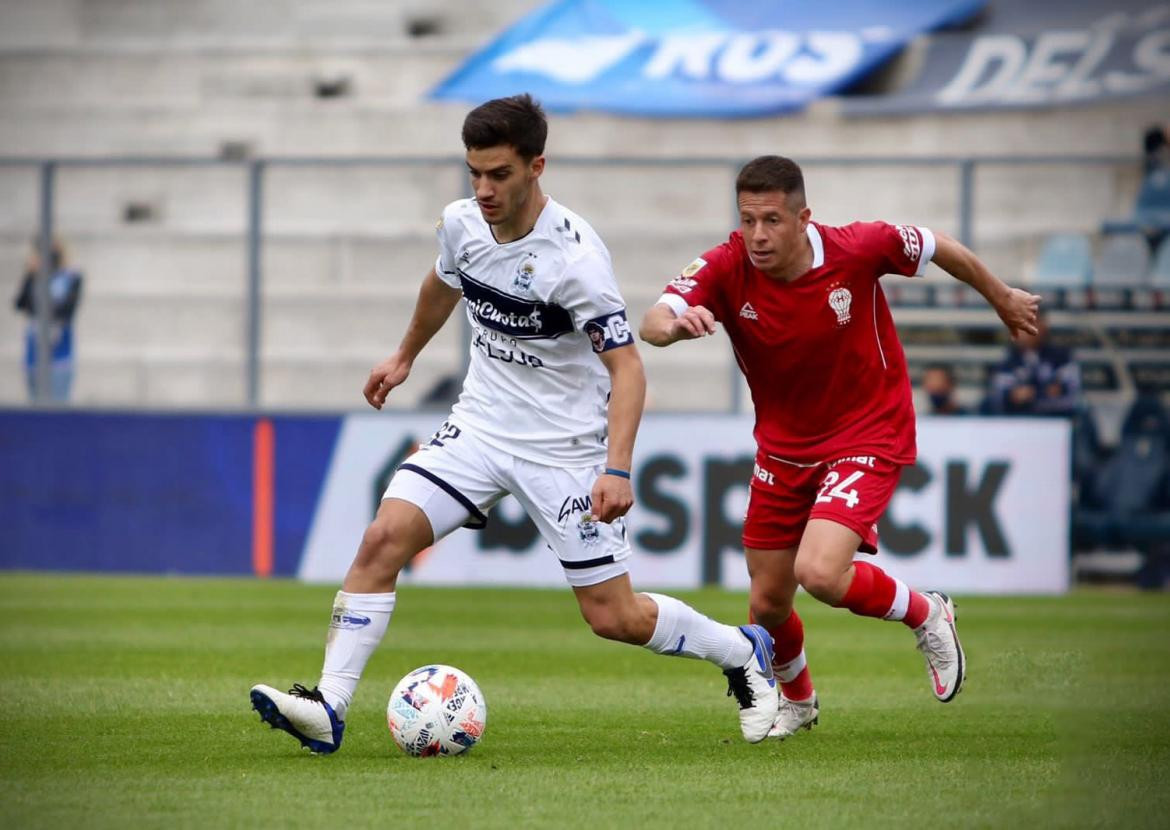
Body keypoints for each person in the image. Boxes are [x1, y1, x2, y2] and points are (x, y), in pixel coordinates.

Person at [249, 95, 779, 754]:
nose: (484, 189)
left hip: (562, 449)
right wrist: (405, 355)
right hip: (480, 426)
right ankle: (329, 707)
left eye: (499, 174)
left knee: (614, 616)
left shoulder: (576, 260)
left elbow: (629, 369)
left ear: (536, 166)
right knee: (383, 538)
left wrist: (616, 468)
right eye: (474, 173)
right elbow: (444, 284)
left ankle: (740, 651)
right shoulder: (462, 224)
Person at [640, 156, 1040, 740]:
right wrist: (673, 327)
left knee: (822, 572)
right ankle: (799, 703)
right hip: (782, 449)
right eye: (748, 219)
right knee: (768, 602)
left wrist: (1001, 296)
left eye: (772, 220)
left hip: (868, 431)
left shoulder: (859, 247)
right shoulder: (727, 266)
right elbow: (654, 317)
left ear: (805, 218)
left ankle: (927, 612)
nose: (757, 235)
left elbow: (939, 245)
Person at [12, 239, 83, 403]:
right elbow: (21, 304)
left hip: (59, 354)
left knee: (58, 402)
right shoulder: (35, 277)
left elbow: (67, 311)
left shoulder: (70, 277)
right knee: (34, 403)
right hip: (34, 353)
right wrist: (30, 275)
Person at [986, 312, 1080, 417]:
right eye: (1018, 324)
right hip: (1018, 425)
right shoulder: (1007, 361)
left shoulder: (1062, 357)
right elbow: (1000, 400)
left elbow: (1070, 397)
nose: (1024, 330)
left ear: (1043, 325)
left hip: (1057, 422)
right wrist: (1045, 392)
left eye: (1030, 322)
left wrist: (1029, 396)